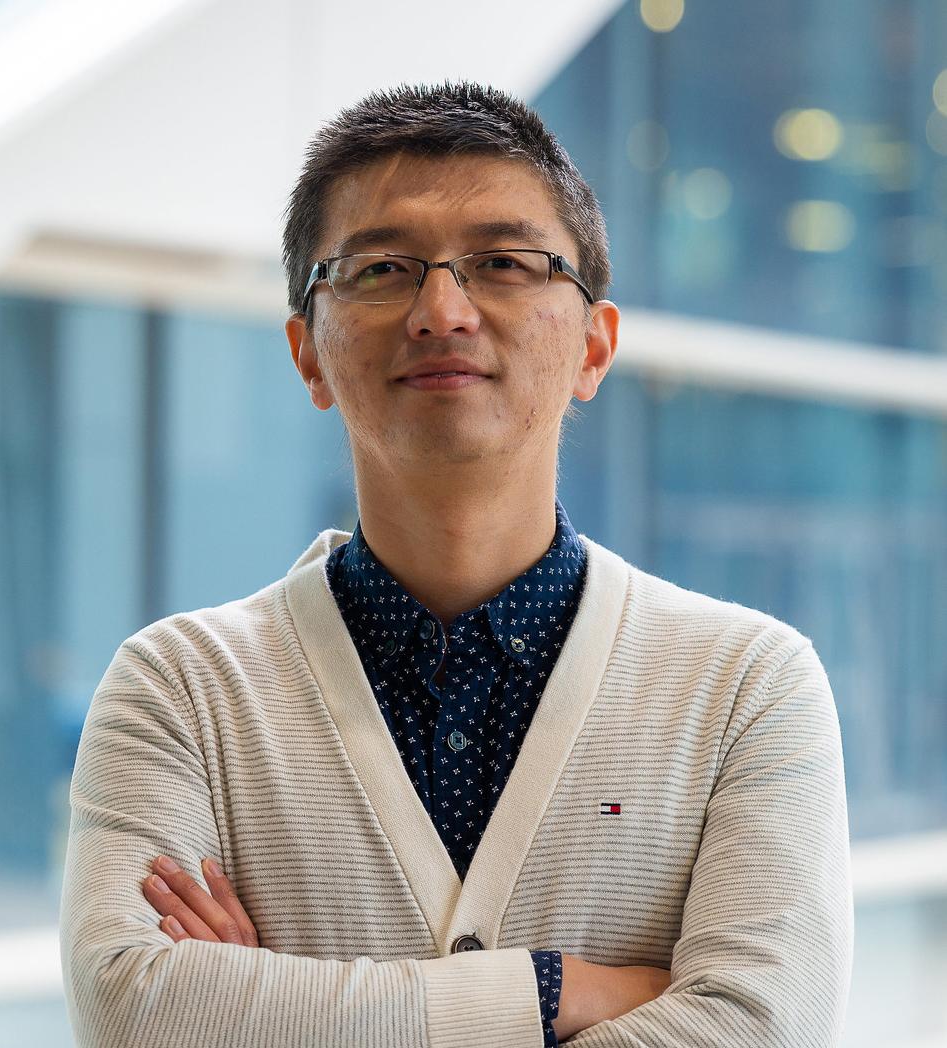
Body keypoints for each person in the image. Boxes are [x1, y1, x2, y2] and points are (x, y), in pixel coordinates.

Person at [59, 82, 852, 1047]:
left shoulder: (746, 686)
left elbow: (764, 1030)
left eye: (504, 262)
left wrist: (273, 1006)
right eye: (380, 268)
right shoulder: (180, 689)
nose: (442, 308)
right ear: (307, 352)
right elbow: (131, 1007)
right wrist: (554, 994)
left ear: (594, 346)